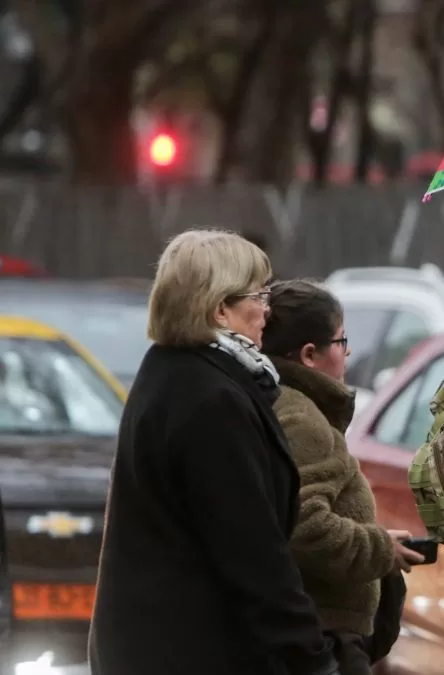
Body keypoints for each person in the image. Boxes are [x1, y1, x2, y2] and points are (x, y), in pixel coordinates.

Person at [89, 230, 340, 675]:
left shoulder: (171, 370)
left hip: (152, 646)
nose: (267, 308)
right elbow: (250, 549)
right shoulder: (209, 399)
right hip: (192, 650)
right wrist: (312, 657)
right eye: (258, 295)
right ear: (219, 307)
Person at [260, 279, 426, 673]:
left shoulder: (282, 403)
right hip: (323, 636)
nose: (348, 352)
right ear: (310, 355)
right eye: (341, 341)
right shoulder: (301, 418)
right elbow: (303, 523)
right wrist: (380, 549)